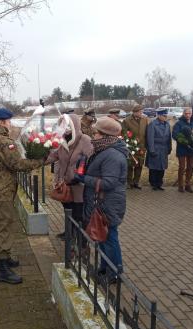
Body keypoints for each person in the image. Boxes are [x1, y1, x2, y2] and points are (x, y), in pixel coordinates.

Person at [0, 108, 44, 284]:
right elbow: (17, 164)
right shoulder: (2, 141)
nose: (10, 124)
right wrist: (43, 160)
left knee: (2, 222)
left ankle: (5, 258)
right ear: (2, 122)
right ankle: (2, 268)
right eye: (8, 121)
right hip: (0, 188)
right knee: (3, 225)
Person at [77, 117, 127, 280]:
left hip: (108, 202)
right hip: (100, 201)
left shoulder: (112, 155)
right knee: (102, 237)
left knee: (110, 238)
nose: (93, 136)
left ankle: (114, 273)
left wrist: (84, 179)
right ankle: (104, 267)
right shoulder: (103, 150)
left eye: (96, 133)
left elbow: (109, 182)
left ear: (105, 135)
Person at [47, 114, 93, 240]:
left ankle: (80, 237)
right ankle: (69, 232)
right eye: (61, 125)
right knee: (67, 210)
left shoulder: (85, 140)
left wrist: (79, 173)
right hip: (64, 184)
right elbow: (54, 156)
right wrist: (36, 158)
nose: (64, 128)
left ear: (74, 125)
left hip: (78, 185)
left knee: (78, 213)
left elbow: (91, 160)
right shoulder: (62, 141)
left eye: (66, 125)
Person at [172, 108, 193, 193]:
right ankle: (180, 185)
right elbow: (175, 135)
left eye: (189, 113)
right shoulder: (178, 123)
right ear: (183, 114)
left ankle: (188, 184)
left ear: (191, 114)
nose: (188, 115)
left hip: (191, 149)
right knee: (182, 167)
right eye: (186, 113)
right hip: (182, 148)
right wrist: (183, 141)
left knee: (190, 167)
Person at [122, 104, 149, 189]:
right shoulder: (126, 121)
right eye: (140, 112)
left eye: (142, 111)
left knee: (139, 165)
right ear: (135, 112)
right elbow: (124, 133)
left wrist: (146, 146)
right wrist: (129, 143)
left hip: (141, 147)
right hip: (131, 147)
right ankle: (129, 182)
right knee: (130, 165)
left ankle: (136, 182)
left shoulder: (144, 120)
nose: (142, 113)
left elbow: (147, 133)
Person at [146, 109, 172, 190]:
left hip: (164, 149)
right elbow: (150, 138)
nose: (165, 117)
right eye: (164, 116)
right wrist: (151, 150)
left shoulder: (167, 124)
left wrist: (169, 148)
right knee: (154, 167)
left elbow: (169, 138)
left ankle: (159, 183)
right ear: (159, 116)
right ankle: (153, 183)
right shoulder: (153, 124)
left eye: (166, 116)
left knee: (162, 167)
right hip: (155, 148)